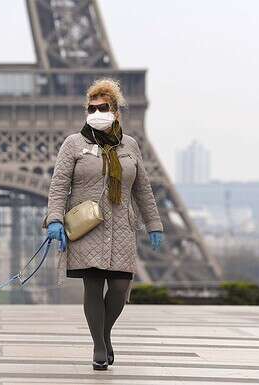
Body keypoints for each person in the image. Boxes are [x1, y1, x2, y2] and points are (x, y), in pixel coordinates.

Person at [45, 79, 164, 370]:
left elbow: (143, 189)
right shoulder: (74, 144)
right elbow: (59, 185)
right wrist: (55, 219)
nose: (97, 111)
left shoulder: (130, 146)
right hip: (88, 226)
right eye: (92, 107)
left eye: (103, 107)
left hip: (121, 226)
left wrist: (154, 223)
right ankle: (99, 346)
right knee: (94, 285)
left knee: (121, 287)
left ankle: (104, 334)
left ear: (115, 111)